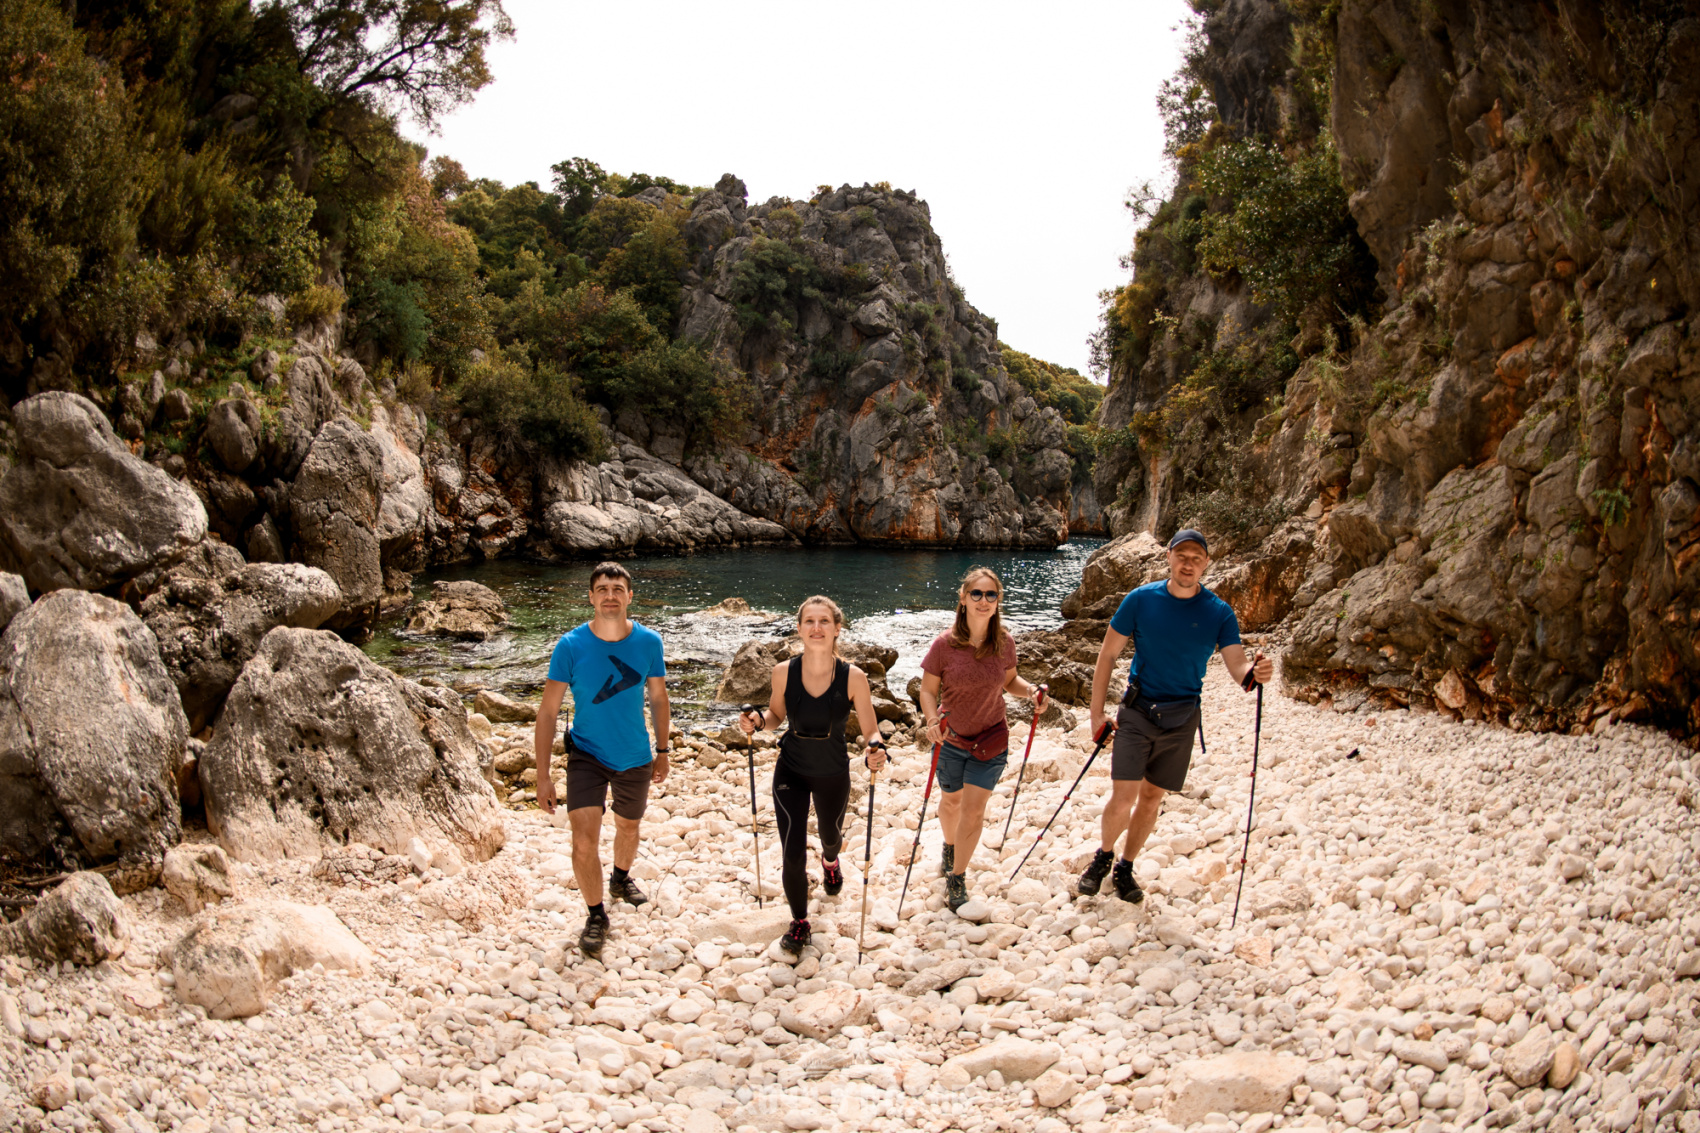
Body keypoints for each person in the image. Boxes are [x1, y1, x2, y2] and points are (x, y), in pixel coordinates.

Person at [1079, 529, 1272, 903]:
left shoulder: (1219, 613)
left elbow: (1238, 668)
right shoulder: (1140, 600)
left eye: (1196, 557)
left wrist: (1255, 674)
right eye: (1181, 555)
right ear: (1169, 557)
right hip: (1137, 709)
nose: (1188, 563)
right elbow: (1107, 655)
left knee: (1151, 798)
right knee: (1124, 797)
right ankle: (1102, 857)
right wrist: (1096, 714)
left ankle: (1126, 867)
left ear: (1206, 564)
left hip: (1183, 719)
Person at [534, 562, 671, 960]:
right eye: (602, 588)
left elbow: (659, 698)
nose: (610, 595)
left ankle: (620, 878)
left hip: (634, 755)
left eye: (617, 588)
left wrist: (662, 751)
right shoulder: (570, 646)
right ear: (591, 597)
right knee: (583, 839)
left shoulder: (649, 643)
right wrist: (543, 776)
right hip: (586, 754)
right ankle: (596, 915)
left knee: (629, 828)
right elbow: (547, 712)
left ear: (629, 596)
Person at [741, 596, 889, 955]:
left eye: (825, 621)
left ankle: (831, 862)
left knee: (830, 836)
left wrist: (876, 748)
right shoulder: (782, 672)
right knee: (792, 852)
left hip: (832, 771)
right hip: (791, 768)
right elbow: (777, 715)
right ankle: (800, 922)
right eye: (810, 621)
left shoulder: (853, 677)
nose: (817, 628)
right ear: (799, 628)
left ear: (837, 628)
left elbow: (871, 729)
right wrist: (760, 722)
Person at [919, 567, 1043, 912]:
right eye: (977, 594)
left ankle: (957, 878)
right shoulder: (944, 645)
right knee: (951, 804)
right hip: (950, 738)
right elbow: (928, 691)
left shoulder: (1004, 642)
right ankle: (949, 844)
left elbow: (1011, 682)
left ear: (998, 600)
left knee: (973, 812)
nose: (984, 601)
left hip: (991, 739)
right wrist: (931, 719)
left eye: (991, 595)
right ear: (963, 599)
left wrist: (1031, 691)